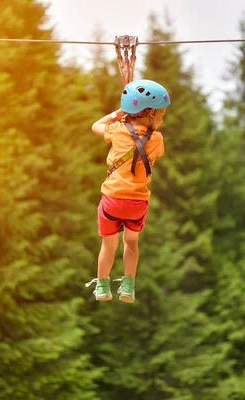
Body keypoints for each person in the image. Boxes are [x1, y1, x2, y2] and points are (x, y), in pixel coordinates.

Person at [85, 79, 171, 303]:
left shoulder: (117, 130)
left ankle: (103, 286)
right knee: (131, 243)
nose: (162, 120)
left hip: (113, 199)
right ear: (149, 112)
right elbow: (152, 148)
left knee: (109, 244)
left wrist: (120, 112)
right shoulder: (157, 139)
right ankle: (128, 286)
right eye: (160, 115)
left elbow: (96, 125)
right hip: (136, 203)